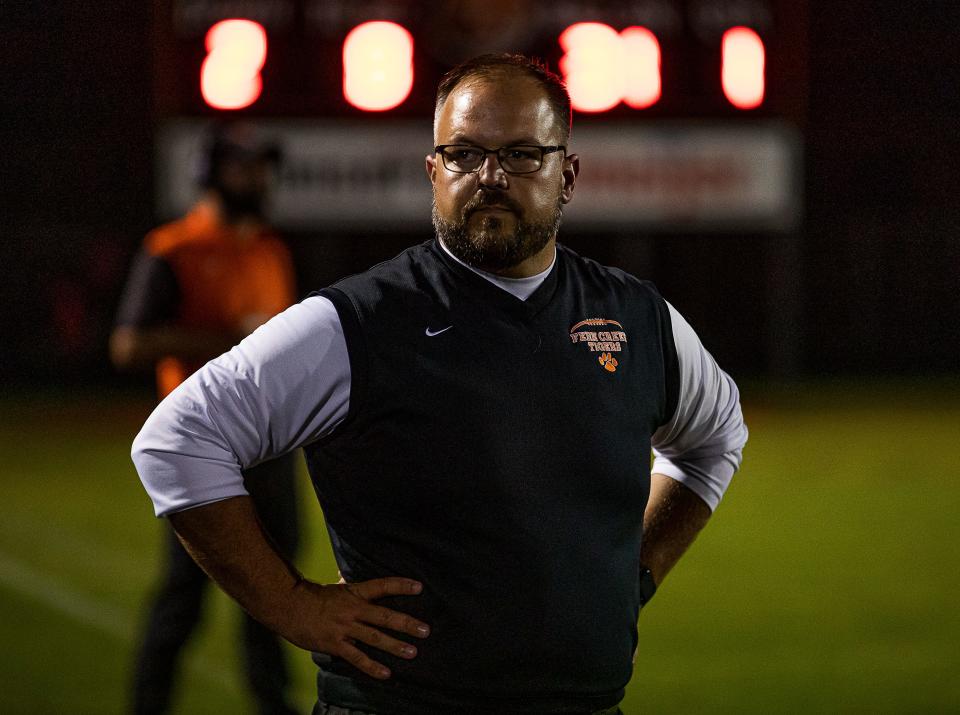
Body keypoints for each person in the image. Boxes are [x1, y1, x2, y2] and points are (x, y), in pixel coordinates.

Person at [131, 55, 748, 715]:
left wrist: (639, 571)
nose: (488, 177)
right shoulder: (361, 321)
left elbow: (717, 435)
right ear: (434, 172)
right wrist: (292, 604)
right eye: (463, 154)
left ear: (567, 175)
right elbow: (178, 439)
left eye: (520, 155)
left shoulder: (636, 318)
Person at [112, 122, 301, 715]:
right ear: (210, 171)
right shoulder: (172, 249)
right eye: (244, 166)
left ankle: (273, 704)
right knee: (183, 596)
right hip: (203, 448)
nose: (258, 178)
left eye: (260, 166)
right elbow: (128, 345)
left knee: (280, 593)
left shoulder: (269, 250)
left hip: (269, 449)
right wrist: (227, 340)